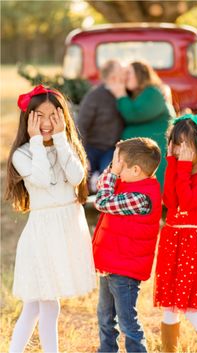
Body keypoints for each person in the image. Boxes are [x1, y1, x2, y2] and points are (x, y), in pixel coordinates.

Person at [5, 84, 96, 352]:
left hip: (66, 229)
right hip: (43, 236)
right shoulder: (23, 154)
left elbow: (77, 177)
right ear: (28, 119)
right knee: (42, 303)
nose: (46, 123)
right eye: (39, 116)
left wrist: (60, 140)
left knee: (40, 304)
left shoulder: (66, 146)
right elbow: (43, 180)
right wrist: (36, 141)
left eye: (52, 115)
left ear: (62, 117)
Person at [153, 114, 197, 352]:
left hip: (192, 245)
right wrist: (173, 164)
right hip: (173, 240)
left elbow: (187, 202)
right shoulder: (178, 167)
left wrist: (181, 167)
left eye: (185, 144)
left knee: (192, 309)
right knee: (170, 308)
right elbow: (170, 201)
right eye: (176, 144)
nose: (180, 150)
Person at [92, 137, 162, 352]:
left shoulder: (141, 197)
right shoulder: (128, 182)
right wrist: (114, 168)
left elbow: (102, 201)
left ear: (135, 170)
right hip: (111, 265)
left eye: (119, 164)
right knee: (105, 317)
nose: (115, 168)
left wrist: (112, 173)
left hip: (125, 271)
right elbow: (104, 186)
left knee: (127, 323)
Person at [109, 60, 176, 191]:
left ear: (140, 74)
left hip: (156, 149)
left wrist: (121, 95)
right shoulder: (137, 95)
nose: (125, 77)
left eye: (129, 73)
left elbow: (134, 114)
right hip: (141, 153)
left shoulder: (153, 93)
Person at [76, 59, 124, 192]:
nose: (124, 74)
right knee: (81, 172)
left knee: (108, 176)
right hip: (91, 146)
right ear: (113, 77)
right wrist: (83, 154)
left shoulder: (124, 94)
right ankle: (81, 201)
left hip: (111, 149)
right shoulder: (95, 96)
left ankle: (105, 206)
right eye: (121, 71)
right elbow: (81, 125)